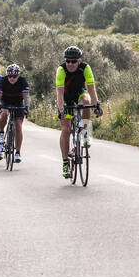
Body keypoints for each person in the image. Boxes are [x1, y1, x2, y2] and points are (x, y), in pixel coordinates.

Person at [56, 45, 100, 178]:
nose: (70, 64)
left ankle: (85, 131)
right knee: (66, 129)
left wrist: (96, 105)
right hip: (66, 98)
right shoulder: (61, 69)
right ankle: (65, 163)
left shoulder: (85, 68)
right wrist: (61, 110)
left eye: (73, 61)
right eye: (68, 61)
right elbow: (59, 93)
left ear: (79, 61)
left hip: (80, 93)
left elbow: (91, 88)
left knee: (87, 103)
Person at [0, 63, 30, 160]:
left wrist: (27, 108)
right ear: (7, 75)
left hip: (18, 103)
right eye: (10, 76)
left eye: (14, 76)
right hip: (5, 101)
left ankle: (18, 152)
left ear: (18, 76)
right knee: (4, 113)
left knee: (18, 126)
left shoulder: (23, 82)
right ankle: (1, 132)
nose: (12, 78)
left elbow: (26, 97)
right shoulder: (2, 81)